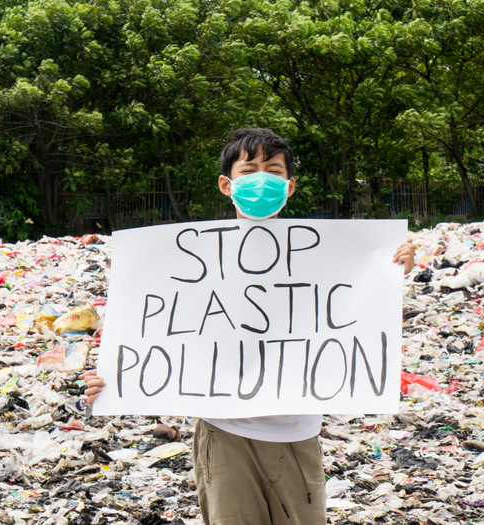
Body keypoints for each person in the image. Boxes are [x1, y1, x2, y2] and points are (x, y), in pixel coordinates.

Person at [81, 128, 416, 524]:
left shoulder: (328, 258)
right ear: (227, 184)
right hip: (224, 438)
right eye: (250, 169)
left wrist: (393, 269)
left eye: (273, 171)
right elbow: (155, 335)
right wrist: (113, 381)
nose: (262, 180)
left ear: (289, 187)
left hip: (298, 438)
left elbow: (356, 319)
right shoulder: (185, 260)